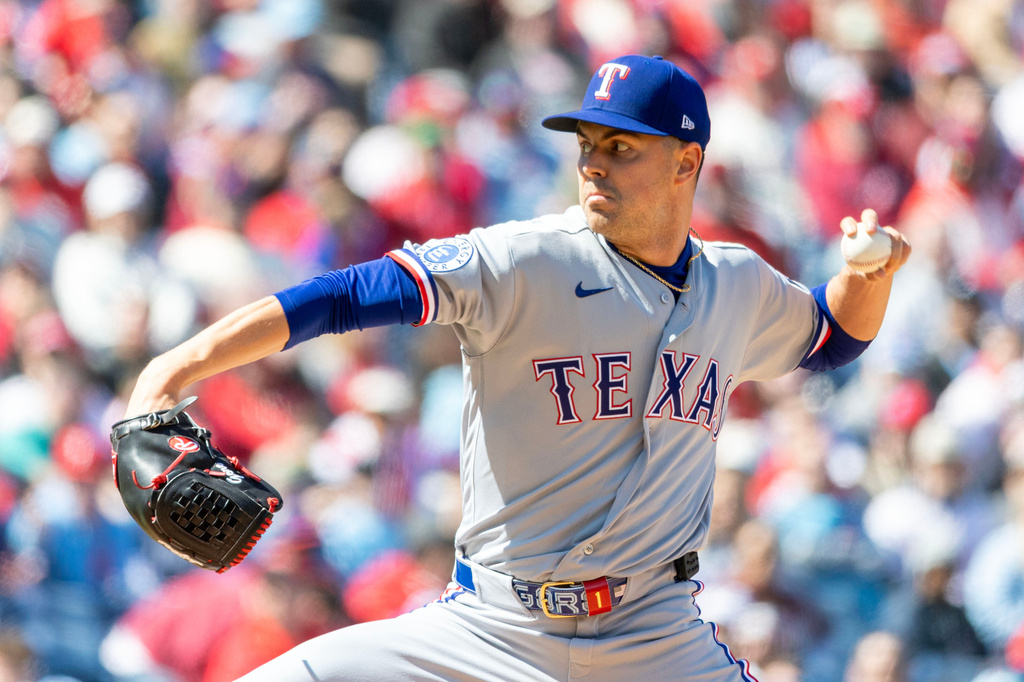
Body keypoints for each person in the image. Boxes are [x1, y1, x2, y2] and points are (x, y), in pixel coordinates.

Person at [122, 55, 910, 681]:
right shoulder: (522, 260)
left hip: (656, 638)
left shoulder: (736, 283)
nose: (594, 165)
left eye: (621, 147)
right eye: (588, 146)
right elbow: (346, 296)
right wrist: (179, 364)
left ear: (686, 162)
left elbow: (833, 335)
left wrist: (865, 279)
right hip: (490, 629)